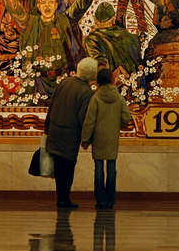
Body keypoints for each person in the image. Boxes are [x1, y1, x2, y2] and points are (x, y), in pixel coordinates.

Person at [43, 57, 98, 209]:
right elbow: (83, 118)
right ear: (92, 74)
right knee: (67, 167)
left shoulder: (64, 82)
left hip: (55, 129)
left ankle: (62, 197)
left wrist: (47, 127)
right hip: (69, 135)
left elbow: (52, 104)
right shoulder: (86, 92)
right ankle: (63, 199)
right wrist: (86, 138)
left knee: (59, 167)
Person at [81, 67, 132, 209]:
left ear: (98, 82)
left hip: (98, 137)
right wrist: (118, 125)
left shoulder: (95, 98)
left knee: (98, 169)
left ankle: (100, 200)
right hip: (112, 137)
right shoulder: (119, 98)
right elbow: (126, 117)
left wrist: (85, 139)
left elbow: (89, 120)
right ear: (112, 80)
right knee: (111, 168)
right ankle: (110, 200)